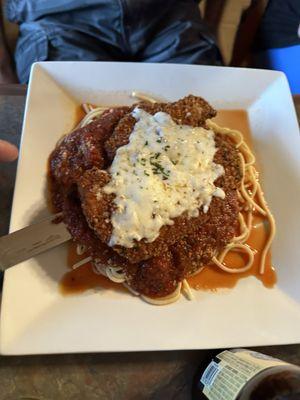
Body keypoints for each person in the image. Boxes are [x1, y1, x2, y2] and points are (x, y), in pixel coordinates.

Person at [0, 0, 224, 84]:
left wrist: (208, 26)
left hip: (169, 17)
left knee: (200, 111)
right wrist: (4, 76)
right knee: (66, 133)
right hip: (59, 20)